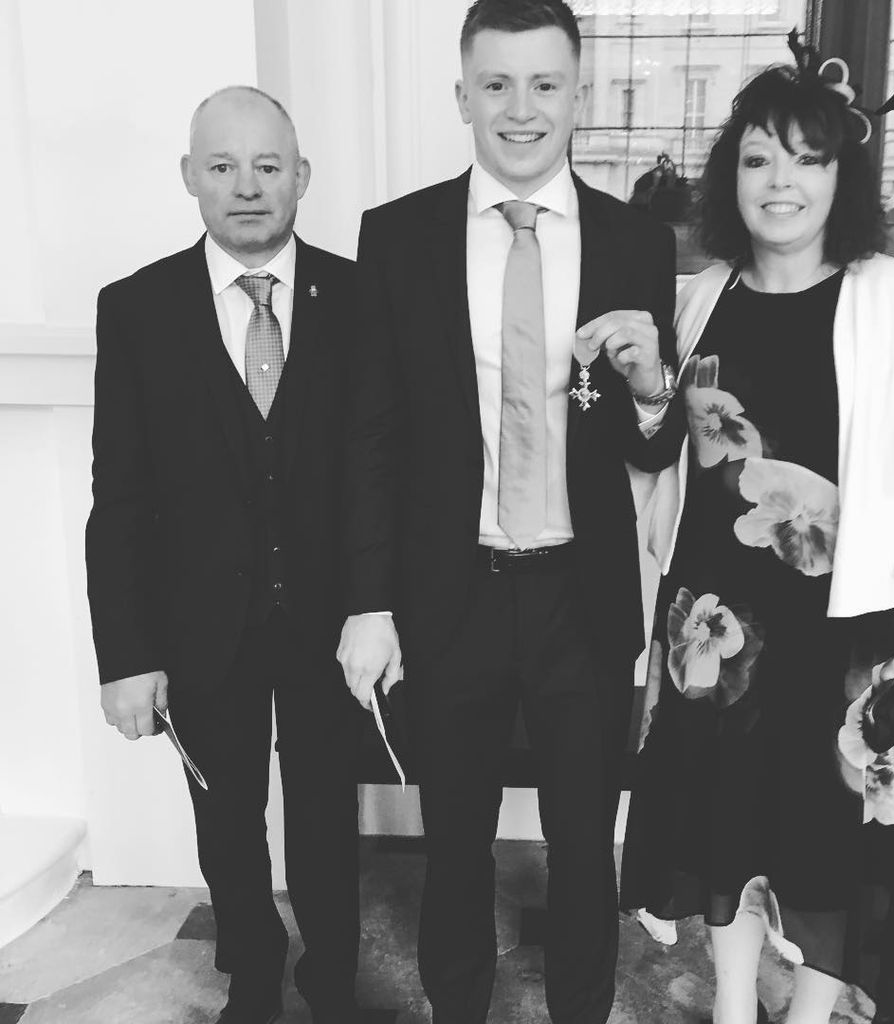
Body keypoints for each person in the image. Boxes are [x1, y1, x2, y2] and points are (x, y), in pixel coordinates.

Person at [619, 58, 894, 1024]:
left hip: (849, 631)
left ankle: (809, 1012)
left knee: (836, 839)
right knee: (722, 828)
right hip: (716, 626)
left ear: (842, 179)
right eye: (759, 160)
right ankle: (736, 1003)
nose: (781, 182)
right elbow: (670, 454)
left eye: (807, 159)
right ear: (731, 178)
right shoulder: (701, 294)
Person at [337, 2, 685, 1022]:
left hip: (582, 596)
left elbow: (651, 445)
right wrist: (368, 603)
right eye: (496, 85)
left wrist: (650, 385)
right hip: (452, 594)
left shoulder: (634, 239)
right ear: (462, 96)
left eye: (543, 85)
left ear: (577, 96)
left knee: (584, 842)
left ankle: (580, 1008)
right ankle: (459, 1008)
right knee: (456, 838)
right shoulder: (395, 238)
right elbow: (370, 440)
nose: (520, 109)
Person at [86, 86, 363, 1024]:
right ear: (190, 177)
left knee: (326, 810)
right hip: (200, 620)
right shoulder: (133, 309)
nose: (247, 187)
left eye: (268, 165)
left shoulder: (361, 297)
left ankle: (333, 973)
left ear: (302, 178)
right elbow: (117, 495)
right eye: (222, 165)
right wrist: (125, 654)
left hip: (332, 621)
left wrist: (383, 605)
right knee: (227, 811)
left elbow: (384, 471)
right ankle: (252, 962)